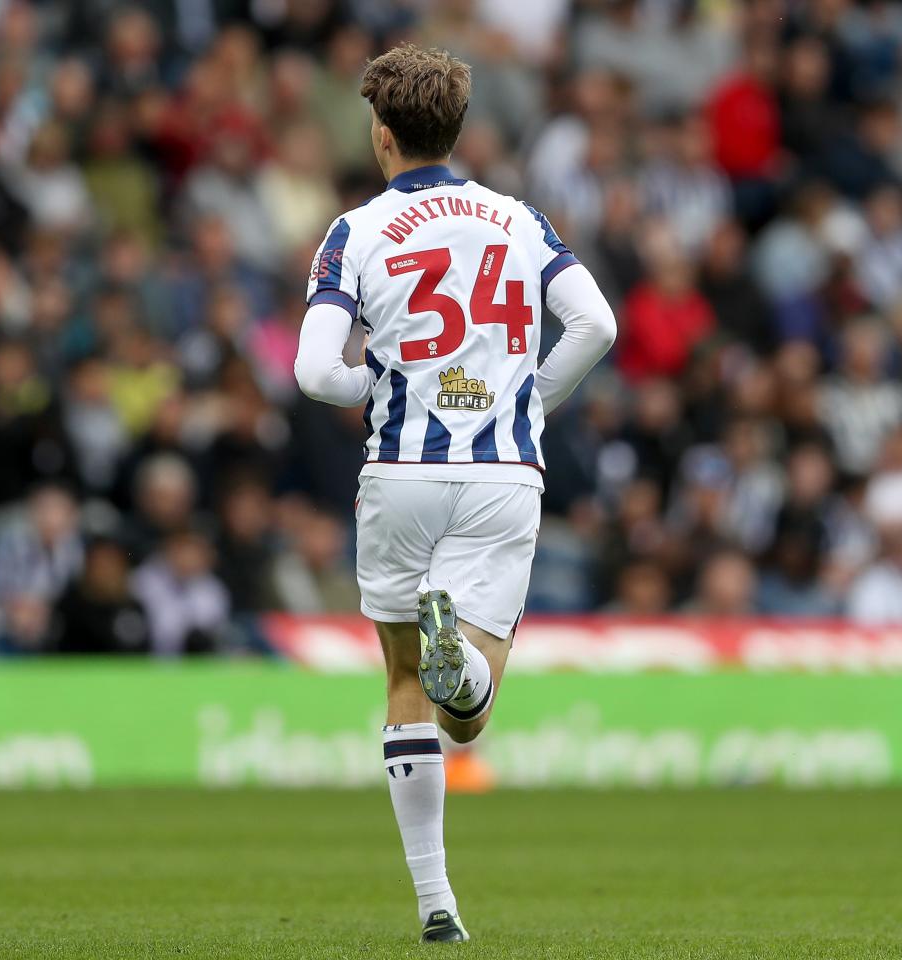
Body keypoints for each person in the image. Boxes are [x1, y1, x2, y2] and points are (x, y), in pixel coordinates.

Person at [293, 45, 615, 944]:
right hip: (504, 473)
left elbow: (316, 371)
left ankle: (437, 902)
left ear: (382, 134)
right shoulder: (518, 218)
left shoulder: (352, 232)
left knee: (402, 681)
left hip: (398, 471)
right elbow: (597, 322)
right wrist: (531, 398)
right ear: (457, 130)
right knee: (466, 718)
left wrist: (380, 385)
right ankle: (462, 666)